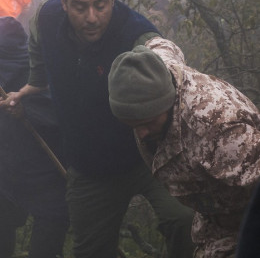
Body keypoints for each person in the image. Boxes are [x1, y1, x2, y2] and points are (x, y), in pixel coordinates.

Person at [0, 0, 194, 257]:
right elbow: (37, 45)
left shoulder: (137, 36)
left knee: (185, 221)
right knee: (90, 250)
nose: (91, 17)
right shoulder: (47, 18)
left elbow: (173, 79)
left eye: (101, 5)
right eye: (80, 7)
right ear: (64, 3)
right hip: (89, 166)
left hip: (151, 156)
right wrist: (32, 85)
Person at [108, 38, 260, 257]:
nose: (141, 133)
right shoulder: (157, 68)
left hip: (246, 222)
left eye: (148, 122)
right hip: (214, 219)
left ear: (167, 103)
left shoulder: (219, 133)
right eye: (133, 124)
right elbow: (160, 44)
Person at [0, 17, 68, 258]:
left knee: (45, 249)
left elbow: (60, 116)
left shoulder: (42, 75)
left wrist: (26, 111)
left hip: (50, 177)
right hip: (9, 171)